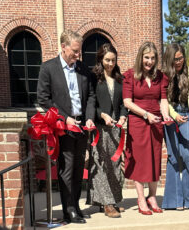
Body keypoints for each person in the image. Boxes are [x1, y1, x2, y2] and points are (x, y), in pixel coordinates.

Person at [37, 30, 96, 224]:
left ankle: (76, 207)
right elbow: (43, 99)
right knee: (67, 169)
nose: (78, 55)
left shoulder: (83, 69)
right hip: (63, 127)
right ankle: (68, 210)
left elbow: (90, 96)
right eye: (75, 51)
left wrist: (89, 118)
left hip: (81, 126)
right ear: (63, 46)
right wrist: (64, 118)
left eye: (79, 51)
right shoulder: (48, 68)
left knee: (79, 169)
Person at [123, 41, 172, 215]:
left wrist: (165, 114)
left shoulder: (161, 77)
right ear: (140, 57)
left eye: (152, 58)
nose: (149, 61)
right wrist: (145, 115)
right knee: (140, 161)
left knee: (155, 159)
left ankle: (152, 196)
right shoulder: (130, 75)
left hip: (156, 122)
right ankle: (141, 198)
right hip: (138, 121)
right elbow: (127, 102)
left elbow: (163, 99)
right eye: (146, 58)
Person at [86, 43, 127, 218]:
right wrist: (102, 115)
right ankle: (107, 203)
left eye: (113, 60)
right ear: (100, 59)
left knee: (114, 165)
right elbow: (90, 103)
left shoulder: (120, 79)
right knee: (100, 164)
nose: (110, 63)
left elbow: (124, 103)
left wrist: (124, 116)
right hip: (99, 128)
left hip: (116, 128)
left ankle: (114, 199)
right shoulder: (94, 78)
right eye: (107, 60)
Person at [161, 43, 189, 210]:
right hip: (169, 115)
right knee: (173, 155)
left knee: (185, 154)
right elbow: (162, 99)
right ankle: (174, 200)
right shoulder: (163, 74)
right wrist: (173, 115)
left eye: (181, 58)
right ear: (169, 59)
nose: (178, 62)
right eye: (175, 59)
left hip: (185, 112)